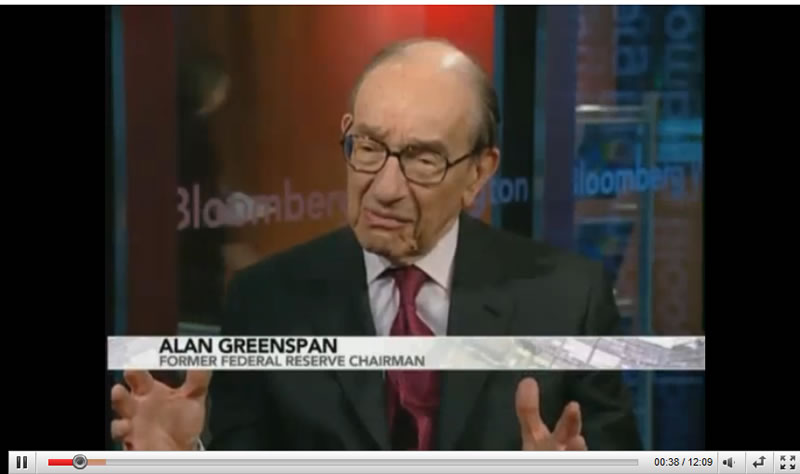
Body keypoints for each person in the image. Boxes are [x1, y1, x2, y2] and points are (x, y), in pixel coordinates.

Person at [111, 38, 642, 451]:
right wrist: (188, 456)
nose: (385, 188)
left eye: (423, 159)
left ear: (479, 173)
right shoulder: (265, 302)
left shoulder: (568, 301)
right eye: (368, 147)